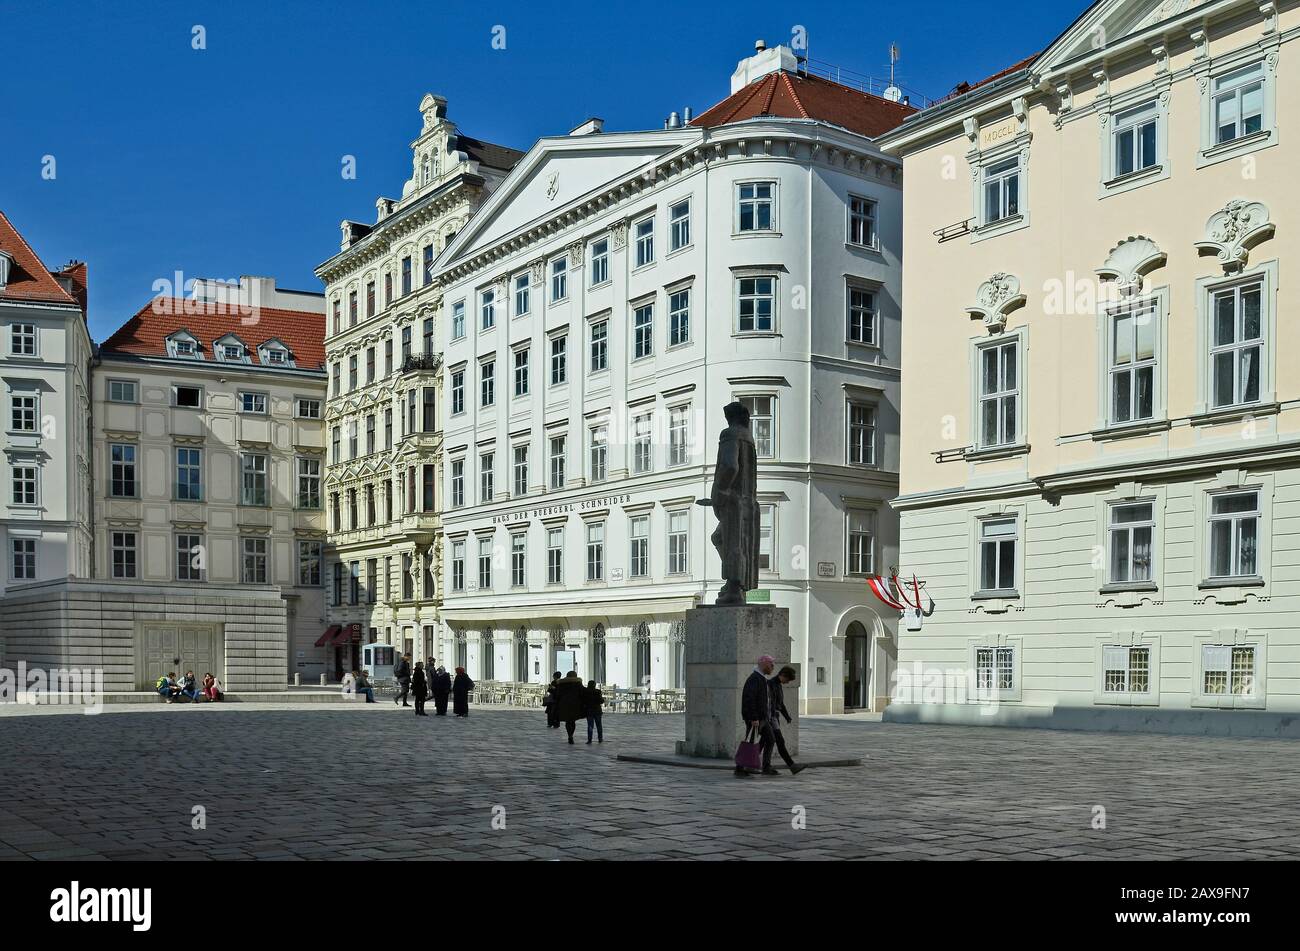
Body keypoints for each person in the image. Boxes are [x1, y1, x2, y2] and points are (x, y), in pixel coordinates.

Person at [735, 655, 774, 778]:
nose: (773, 667)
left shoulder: (761, 678)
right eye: (771, 664)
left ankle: (763, 766)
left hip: (762, 718)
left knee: (769, 739)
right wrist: (753, 718)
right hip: (755, 718)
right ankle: (741, 767)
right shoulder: (754, 679)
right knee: (751, 742)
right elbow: (750, 699)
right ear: (763, 664)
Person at [765, 666, 805, 776]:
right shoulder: (771, 684)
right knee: (779, 742)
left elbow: (780, 704)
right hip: (770, 718)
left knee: (765, 742)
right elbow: (770, 703)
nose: (788, 682)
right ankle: (792, 766)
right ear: (782, 675)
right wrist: (771, 719)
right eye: (787, 679)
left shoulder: (777, 685)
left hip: (773, 718)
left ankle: (749, 765)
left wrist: (787, 716)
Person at [552, 670, 585, 744]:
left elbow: (557, 695)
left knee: (568, 721)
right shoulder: (578, 683)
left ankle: (569, 735)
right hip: (575, 705)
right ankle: (571, 735)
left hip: (564, 704)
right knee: (572, 721)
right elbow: (582, 693)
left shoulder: (562, 684)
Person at [584, 680, 604, 744]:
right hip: (597, 710)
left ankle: (589, 739)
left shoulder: (586, 692)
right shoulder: (598, 691)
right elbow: (601, 701)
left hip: (589, 711)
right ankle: (600, 738)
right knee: (599, 725)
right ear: (594, 685)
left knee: (590, 725)